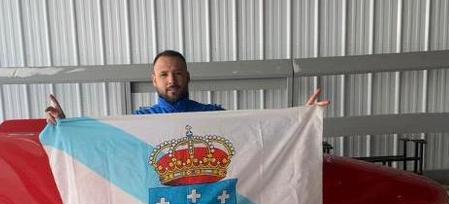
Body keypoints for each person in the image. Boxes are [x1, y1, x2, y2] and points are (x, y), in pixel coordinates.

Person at [45, 49, 329, 124]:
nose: (172, 80)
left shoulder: (213, 114)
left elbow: (258, 131)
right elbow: (101, 142)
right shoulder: (138, 121)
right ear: (154, 80)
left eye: (178, 73)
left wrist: (300, 118)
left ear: (188, 77)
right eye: (164, 74)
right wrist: (67, 126)